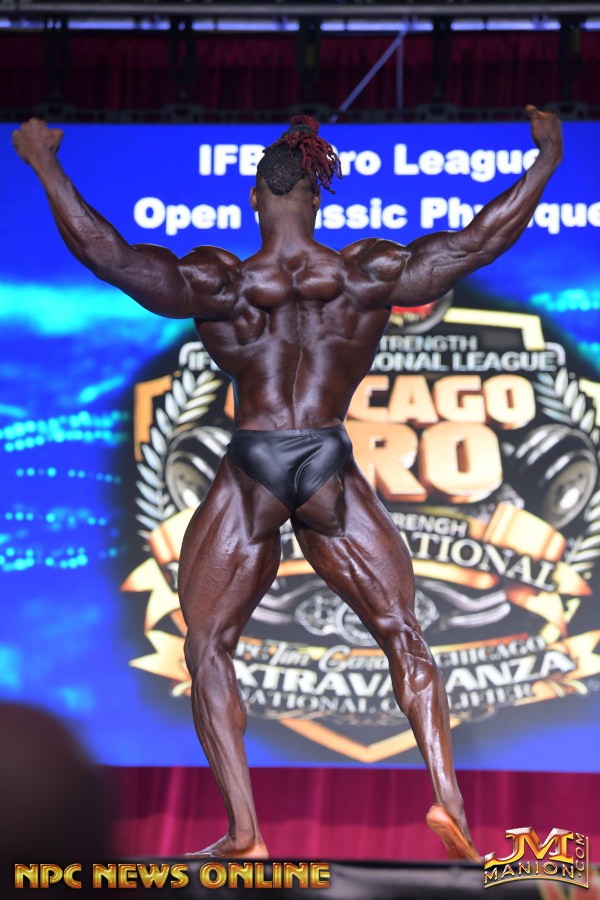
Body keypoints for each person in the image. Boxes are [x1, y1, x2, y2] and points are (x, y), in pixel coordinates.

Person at [13, 108, 562, 862]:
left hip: (255, 463)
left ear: (254, 198)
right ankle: (450, 803)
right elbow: (478, 240)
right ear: (317, 197)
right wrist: (546, 160)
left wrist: (45, 164)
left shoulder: (223, 281)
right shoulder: (365, 274)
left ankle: (245, 832)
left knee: (208, 644)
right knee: (403, 633)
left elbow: (109, 256)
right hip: (327, 459)